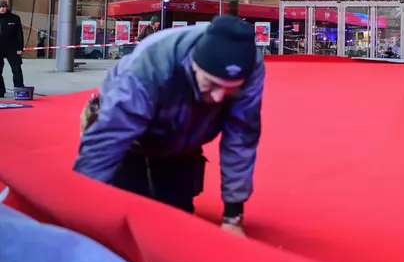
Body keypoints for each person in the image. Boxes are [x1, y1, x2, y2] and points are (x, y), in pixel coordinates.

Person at [74, 15, 264, 237]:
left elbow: (241, 137)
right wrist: (79, 215)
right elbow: (108, 142)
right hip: (129, 138)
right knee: (128, 217)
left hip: (183, 140)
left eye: (230, 88)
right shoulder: (149, 67)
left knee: (175, 221)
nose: (218, 97)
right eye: (211, 84)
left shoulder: (249, 65)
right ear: (193, 65)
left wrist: (233, 217)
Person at [0, 0, 25, 98]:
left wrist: (20, 48)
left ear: (7, 7)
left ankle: (19, 89)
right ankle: (1, 90)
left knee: (16, 69)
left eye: (4, 7)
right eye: (1, 7)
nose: (2, 9)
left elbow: (19, 34)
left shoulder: (14, 18)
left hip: (12, 48)